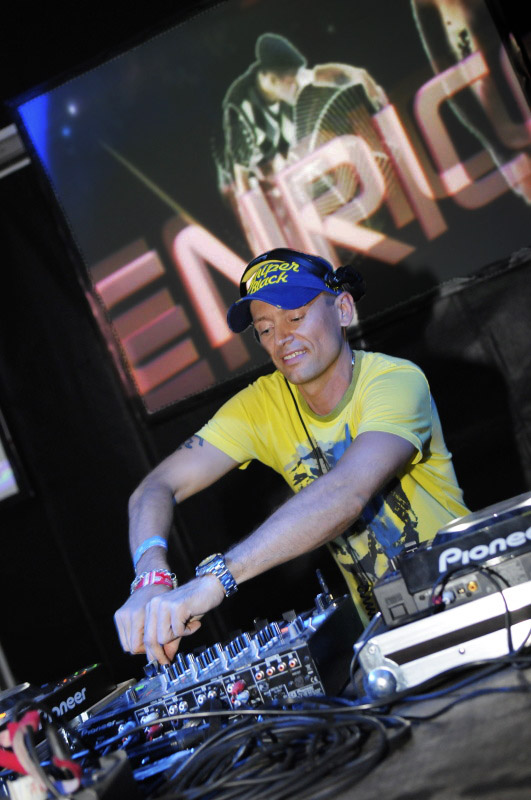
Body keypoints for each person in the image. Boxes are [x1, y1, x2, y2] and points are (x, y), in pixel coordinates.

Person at [115, 247, 468, 665]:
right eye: (265, 329)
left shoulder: (394, 381)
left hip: (469, 602)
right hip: (387, 641)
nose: (281, 339)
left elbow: (346, 493)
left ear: (342, 309)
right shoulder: (262, 406)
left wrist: (216, 579)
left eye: (295, 318)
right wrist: (150, 576)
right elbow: (153, 488)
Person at [219, 32, 388, 193]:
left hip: (285, 164)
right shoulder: (241, 112)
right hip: (253, 182)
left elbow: (334, 75)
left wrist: (362, 79)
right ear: (272, 80)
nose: (298, 83)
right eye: (293, 80)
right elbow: (240, 177)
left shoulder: (284, 76)